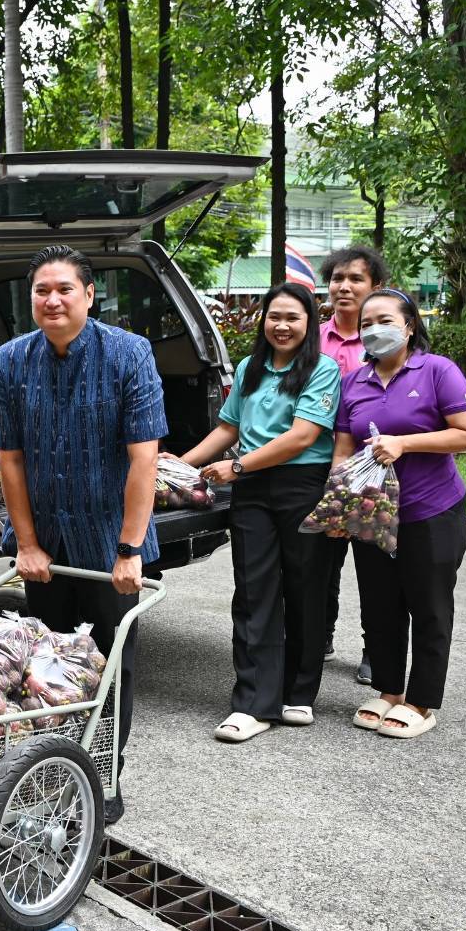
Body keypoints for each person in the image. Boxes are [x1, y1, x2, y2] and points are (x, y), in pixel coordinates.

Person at [0, 245, 166, 784]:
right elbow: (11, 460)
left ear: (89, 294)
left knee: (112, 668)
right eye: (42, 290)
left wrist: (130, 549)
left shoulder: (129, 354)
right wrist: (26, 543)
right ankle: (51, 773)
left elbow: (144, 459)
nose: (53, 299)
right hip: (47, 547)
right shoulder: (10, 361)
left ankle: (104, 778)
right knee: (45, 668)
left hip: (111, 545)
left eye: (65, 288)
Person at [175, 284, 341, 742]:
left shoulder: (322, 370)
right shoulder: (250, 367)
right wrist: (177, 466)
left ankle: (299, 693)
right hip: (251, 489)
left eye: (292, 317)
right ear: (262, 320)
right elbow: (229, 427)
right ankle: (253, 702)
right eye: (274, 317)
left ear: (309, 323)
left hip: (302, 485)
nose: (282, 326)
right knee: (253, 591)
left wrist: (239, 465)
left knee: (306, 588)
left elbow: (303, 436)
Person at [335, 288, 466, 739]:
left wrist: (404, 443)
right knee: (380, 604)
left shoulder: (437, 370)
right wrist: (341, 497)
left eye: (384, 320)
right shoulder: (354, 382)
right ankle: (388, 692)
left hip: (432, 510)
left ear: (410, 325)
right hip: (373, 511)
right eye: (365, 324)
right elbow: (344, 445)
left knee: (429, 605)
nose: (373, 330)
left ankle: (422, 701)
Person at [318, 245, 389, 685]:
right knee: (319, 561)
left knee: (374, 565)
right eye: (337, 278)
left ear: (375, 287)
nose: (344, 287)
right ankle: (319, 635)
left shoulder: (386, 337)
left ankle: (373, 648)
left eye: (356, 279)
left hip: (376, 471)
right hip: (319, 466)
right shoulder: (312, 336)